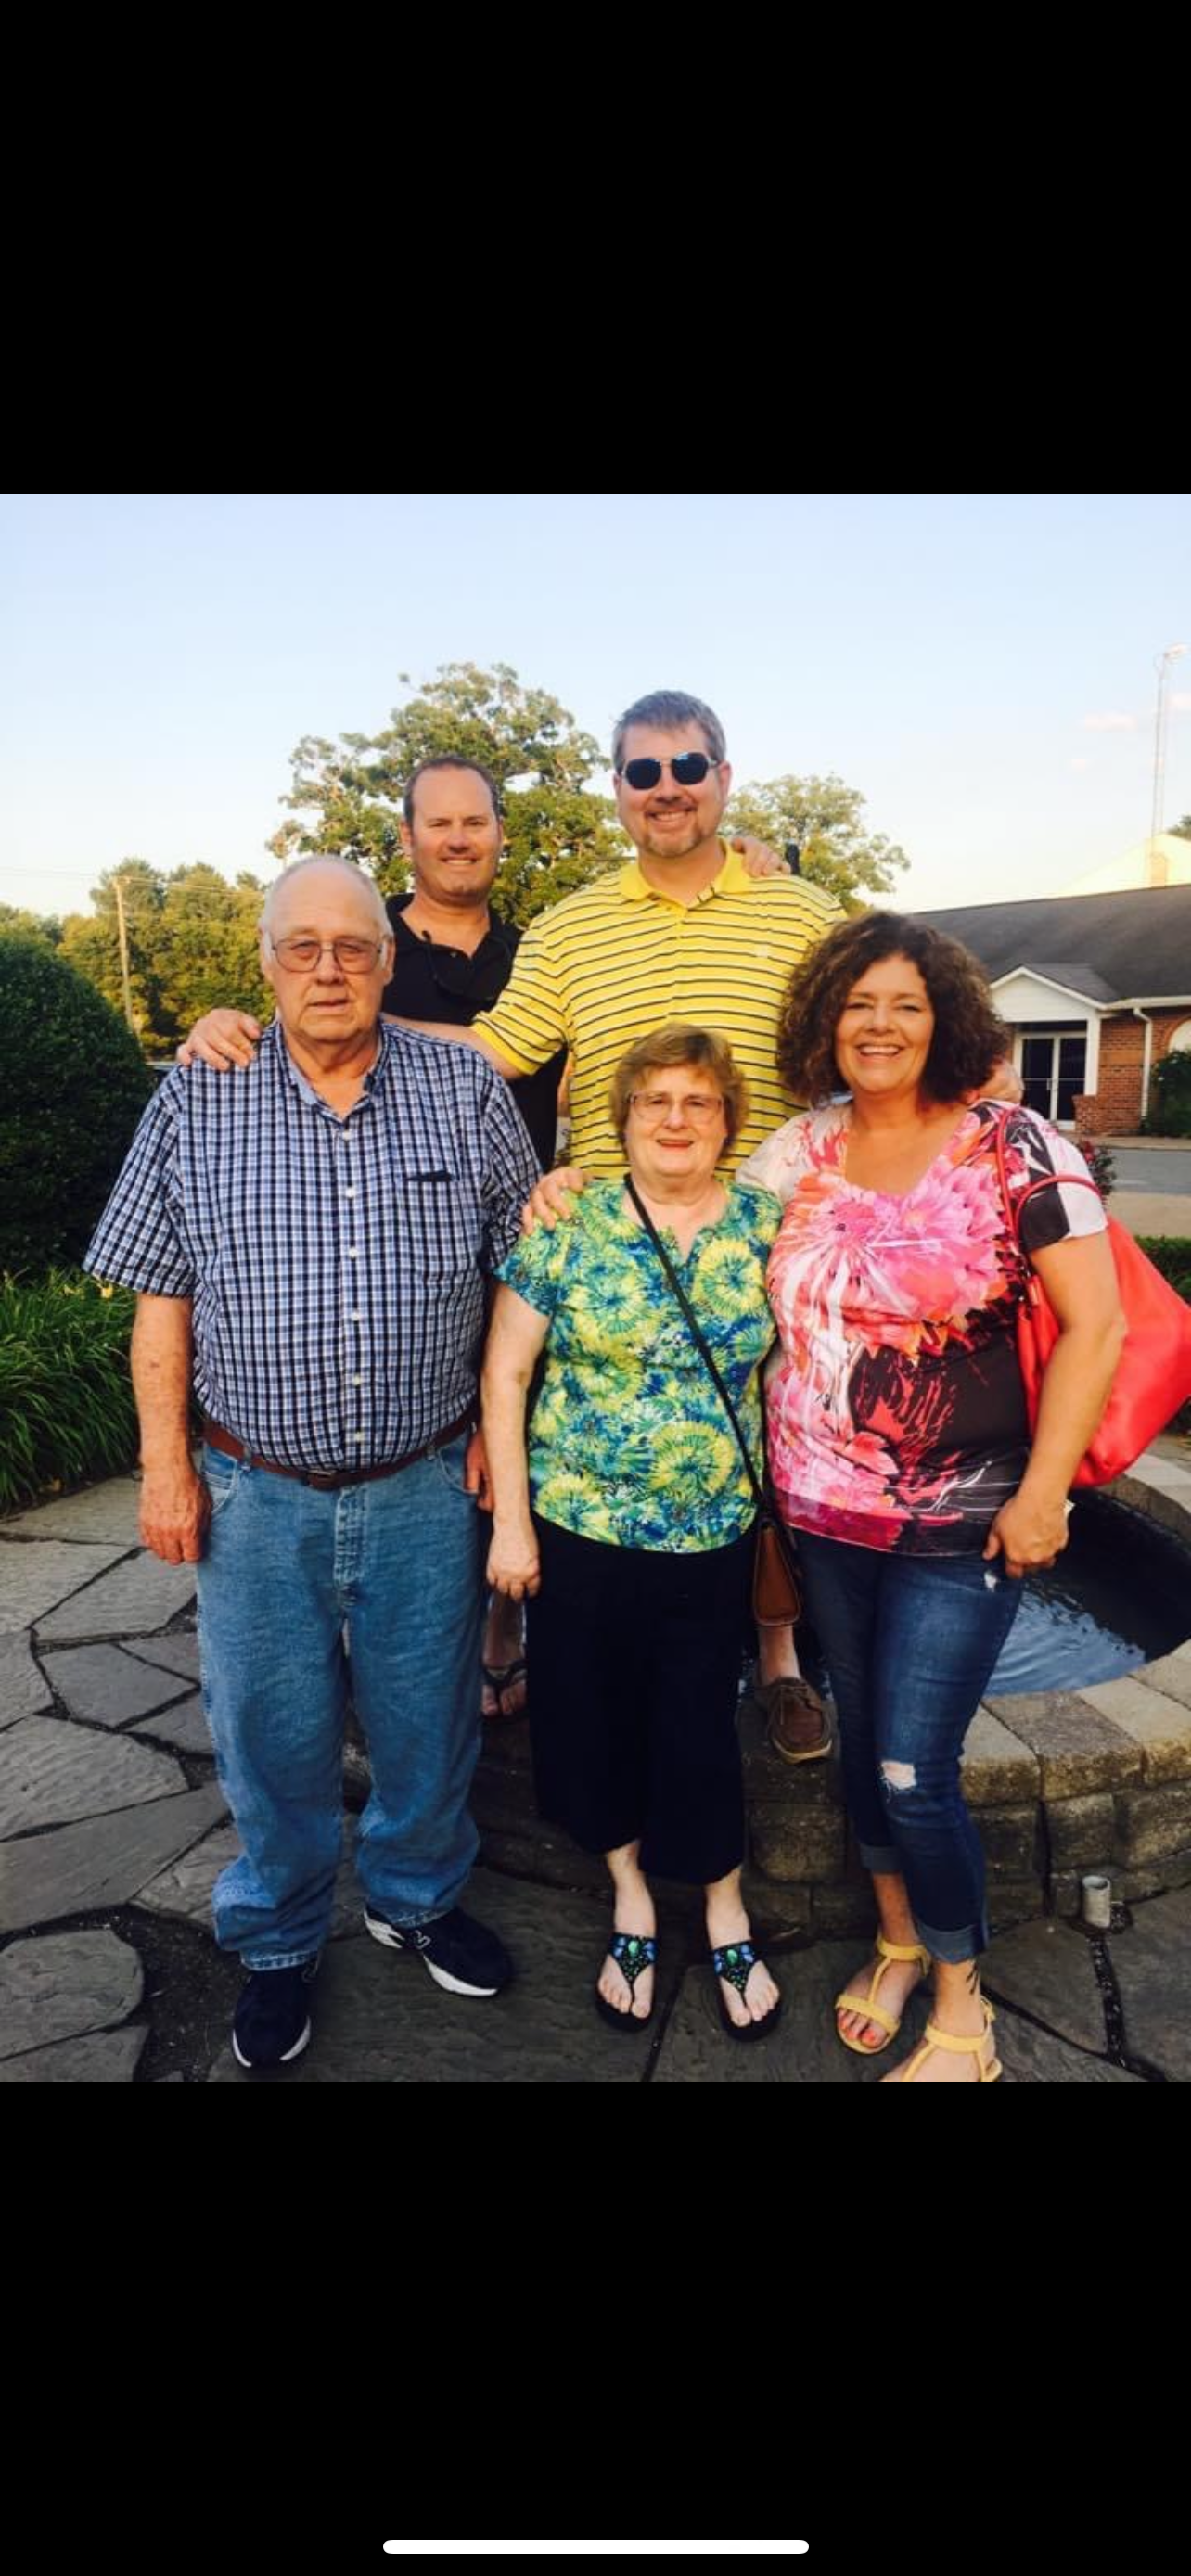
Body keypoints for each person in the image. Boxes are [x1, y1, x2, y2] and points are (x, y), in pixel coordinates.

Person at [179, 692, 844, 1762]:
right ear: (618, 789)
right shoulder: (575, 926)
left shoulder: (801, 910)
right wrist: (296, 1017)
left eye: (687, 766)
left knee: (766, 1427)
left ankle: (778, 1660)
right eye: (643, 771)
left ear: (723, 777)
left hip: (763, 1236)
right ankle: (594, 1672)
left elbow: (867, 1029)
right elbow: (495, 1047)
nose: (666, 788)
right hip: (615, 1240)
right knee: (607, 1443)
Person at [85, 857, 540, 2072]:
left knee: (426, 1722)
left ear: (388, 961)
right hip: (253, 1493)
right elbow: (161, 1301)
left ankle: (415, 1897)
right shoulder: (198, 1096)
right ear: (268, 961)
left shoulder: (462, 1088)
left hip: (424, 1483)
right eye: (303, 947)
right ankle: (279, 1938)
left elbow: (522, 1268)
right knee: (269, 1732)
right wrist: (164, 1468)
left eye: (353, 946)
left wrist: (497, 1435)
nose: (328, 969)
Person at [736, 912, 1124, 2082]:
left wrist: (1045, 1494)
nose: (880, 1025)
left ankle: (965, 2006)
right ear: (825, 1021)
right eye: (858, 1004)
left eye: (905, 1004)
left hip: (967, 1521)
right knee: (865, 1749)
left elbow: (1097, 1324)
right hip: (821, 1515)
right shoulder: (796, 1151)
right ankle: (898, 1941)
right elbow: (689, 1228)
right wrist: (568, 1197)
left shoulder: (1014, 1143)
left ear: (944, 1019)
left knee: (914, 1768)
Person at [481, 1026, 785, 2040]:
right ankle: (631, 1897)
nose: (675, 1119)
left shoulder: (768, 1227)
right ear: (622, 1120)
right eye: (655, 1100)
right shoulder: (569, 1224)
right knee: (591, 1716)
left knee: (700, 1722)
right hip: (580, 1528)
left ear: (729, 1121)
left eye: (698, 1101)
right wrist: (512, 1527)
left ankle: (724, 1905)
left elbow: (802, 1363)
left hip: (713, 1533)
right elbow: (506, 1373)